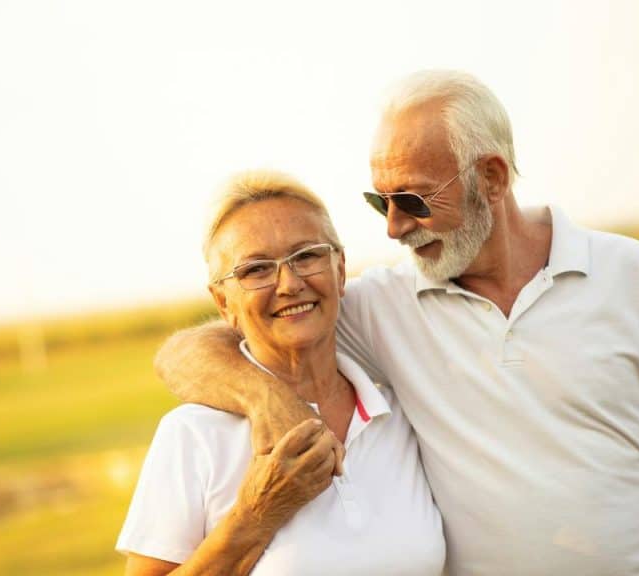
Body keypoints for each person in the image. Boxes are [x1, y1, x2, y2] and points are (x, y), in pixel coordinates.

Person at [155, 70, 639, 575]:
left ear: (491, 176)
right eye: (379, 201)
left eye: (411, 199)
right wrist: (265, 399)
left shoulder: (632, 273)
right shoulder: (382, 305)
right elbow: (192, 350)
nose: (393, 226)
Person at [117, 171, 447, 575]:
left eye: (306, 256)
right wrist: (257, 515)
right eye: (256, 270)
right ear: (223, 302)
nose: (289, 283)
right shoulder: (192, 435)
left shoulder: (398, 414)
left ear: (340, 269)